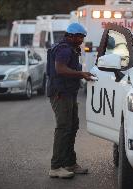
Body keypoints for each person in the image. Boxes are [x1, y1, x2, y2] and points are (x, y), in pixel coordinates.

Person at [48, 23, 94, 179]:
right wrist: (81, 74)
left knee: (72, 127)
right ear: (71, 36)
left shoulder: (71, 49)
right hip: (60, 94)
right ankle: (56, 167)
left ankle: (69, 163)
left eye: (82, 37)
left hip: (69, 93)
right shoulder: (64, 49)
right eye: (80, 36)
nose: (82, 39)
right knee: (63, 128)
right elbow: (60, 69)